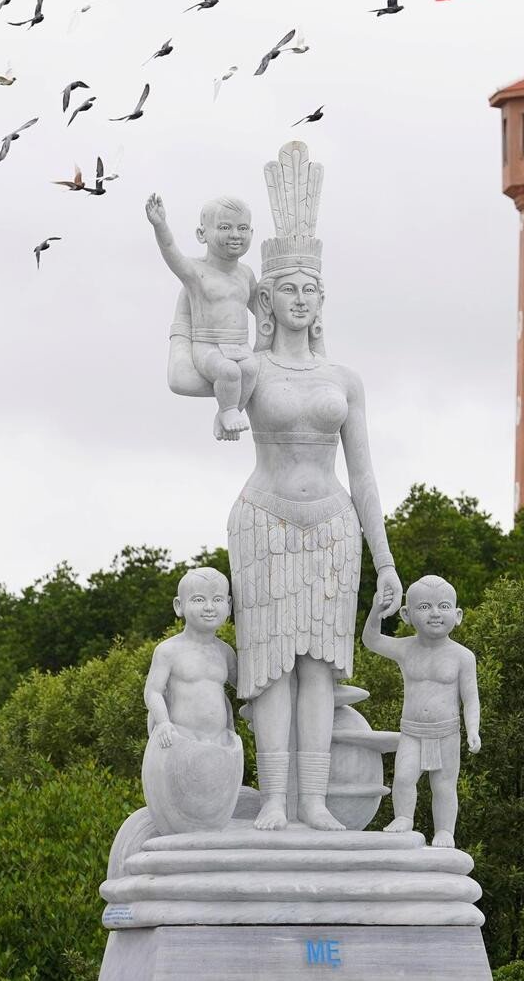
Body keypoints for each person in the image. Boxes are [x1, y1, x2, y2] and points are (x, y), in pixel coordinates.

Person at [217, 141, 401, 830]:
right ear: (267, 297)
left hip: (331, 524)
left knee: (321, 664)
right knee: (269, 664)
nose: (299, 300)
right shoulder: (251, 367)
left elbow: (365, 473)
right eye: (286, 289)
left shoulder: (343, 379)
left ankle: (315, 801)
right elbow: (204, 381)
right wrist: (225, 411)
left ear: (322, 298)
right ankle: (273, 801)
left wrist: (385, 560)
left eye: (309, 289)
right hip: (264, 519)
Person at [363, 575, 481, 848]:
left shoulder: (462, 656)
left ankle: (445, 832)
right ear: (406, 614)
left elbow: (470, 699)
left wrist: (472, 729)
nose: (436, 614)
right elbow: (371, 640)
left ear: (458, 614)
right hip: (412, 732)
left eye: (443, 606)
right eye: (425, 607)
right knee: (404, 778)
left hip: (447, 731)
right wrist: (376, 611)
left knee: (443, 786)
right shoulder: (405, 648)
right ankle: (404, 817)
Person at [146, 193, 259, 440]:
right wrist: (160, 225)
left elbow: (261, 307)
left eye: (242, 228)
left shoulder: (246, 275)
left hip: (240, 345)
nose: (235, 235)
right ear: (202, 234)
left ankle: (229, 413)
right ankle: (229, 410)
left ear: (251, 232)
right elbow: (170, 251)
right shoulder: (196, 272)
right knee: (228, 372)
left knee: (251, 369)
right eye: (225, 227)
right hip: (208, 345)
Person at [145, 567, 238, 748]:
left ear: (229, 605)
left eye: (217, 599)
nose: (209, 607)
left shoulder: (225, 652)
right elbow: (153, 692)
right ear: (179, 606)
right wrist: (163, 722)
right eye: (199, 599)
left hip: (218, 742)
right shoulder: (168, 650)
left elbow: (245, 687)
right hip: (179, 738)